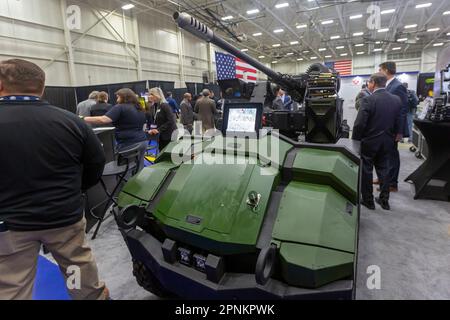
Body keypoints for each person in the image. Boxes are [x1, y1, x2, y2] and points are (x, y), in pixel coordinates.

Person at [0, 59, 108, 300]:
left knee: (12, 288)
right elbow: (95, 165)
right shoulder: (72, 122)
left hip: (9, 228)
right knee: (79, 276)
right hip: (64, 220)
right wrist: (72, 190)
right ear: (42, 87)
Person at [353, 73, 402, 211]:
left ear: (373, 83)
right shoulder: (396, 100)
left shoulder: (368, 100)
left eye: (369, 82)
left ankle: (368, 201)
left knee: (366, 170)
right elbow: (399, 120)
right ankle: (384, 200)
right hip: (388, 141)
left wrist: (356, 141)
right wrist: (396, 135)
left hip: (369, 142)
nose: (368, 84)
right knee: (384, 169)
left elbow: (359, 124)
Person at [83, 88, 149, 171]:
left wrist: (83, 118)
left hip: (129, 143)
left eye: (118, 97)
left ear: (123, 97)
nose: (117, 99)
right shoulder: (138, 107)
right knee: (139, 167)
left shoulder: (120, 107)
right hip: (142, 141)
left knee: (125, 170)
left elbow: (103, 120)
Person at [377, 61, 409, 192]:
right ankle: (383, 179)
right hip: (386, 127)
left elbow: (402, 111)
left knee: (392, 156)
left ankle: (392, 183)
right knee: (384, 155)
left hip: (393, 129)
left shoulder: (398, 87)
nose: (379, 72)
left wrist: (399, 132)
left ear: (386, 71)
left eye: (380, 70)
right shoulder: (388, 86)